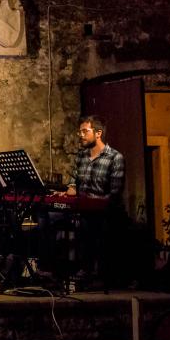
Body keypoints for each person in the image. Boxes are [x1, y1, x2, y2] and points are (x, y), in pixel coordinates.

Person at [54, 114, 126, 283]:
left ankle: (90, 271)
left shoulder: (115, 158)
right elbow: (73, 184)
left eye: (85, 131)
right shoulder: (81, 156)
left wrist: (92, 202)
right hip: (81, 209)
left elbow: (114, 193)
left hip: (103, 213)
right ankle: (54, 269)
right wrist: (66, 192)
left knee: (90, 224)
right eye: (79, 132)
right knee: (49, 217)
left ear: (98, 133)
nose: (81, 135)